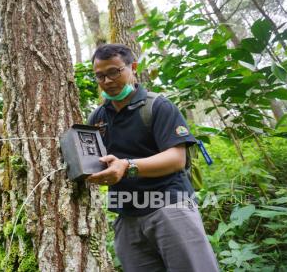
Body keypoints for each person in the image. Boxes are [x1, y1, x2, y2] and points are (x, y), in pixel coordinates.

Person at [86, 44, 218, 271]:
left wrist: (127, 166)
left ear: (133, 67)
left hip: (170, 205)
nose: (107, 81)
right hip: (126, 216)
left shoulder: (157, 106)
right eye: (100, 76)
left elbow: (177, 158)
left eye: (114, 72)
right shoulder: (98, 117)